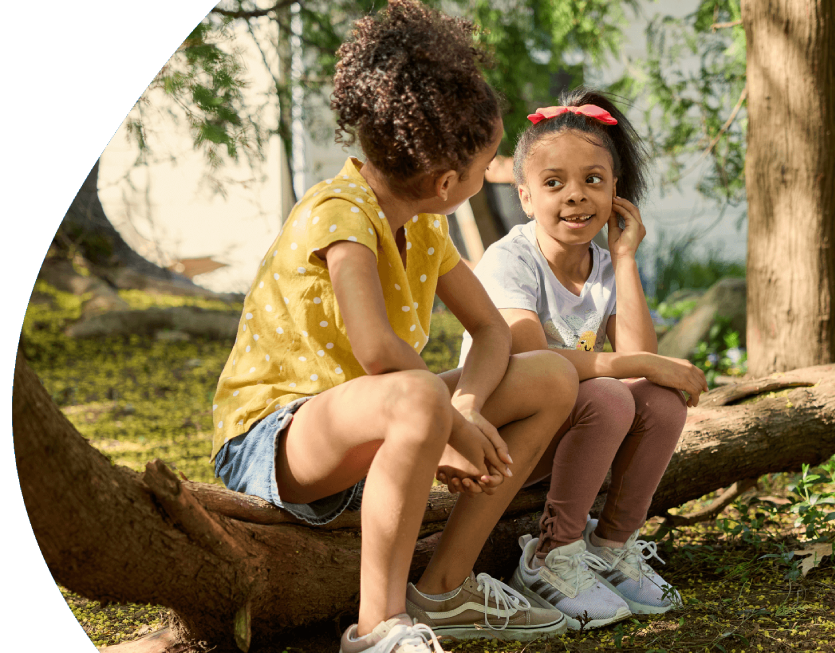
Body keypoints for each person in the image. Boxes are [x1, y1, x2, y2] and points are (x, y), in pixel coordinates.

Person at [210, 2, 578, 651]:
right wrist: (448, 424)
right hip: (277, 440)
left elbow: (491, 332)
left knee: (548, 374)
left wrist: (463, 407)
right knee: (414, 393)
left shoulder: (426, 225)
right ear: (443, 180)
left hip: (379, 423)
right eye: (485, 164)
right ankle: (377, 628)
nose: (490, 172)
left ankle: (444, 586)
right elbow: (376, 349)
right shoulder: (339, 212)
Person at [459, 88, 709, 630]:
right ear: (525, 196)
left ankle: (611, 546)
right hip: (504, 437)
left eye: (593, 180)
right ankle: (552, 555)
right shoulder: (511, 259)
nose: (576, 196)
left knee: (661, 401)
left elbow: (643, 362)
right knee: (608, 391)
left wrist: (624, 259)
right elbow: (531, 360)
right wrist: (633, 368)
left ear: (616, 190)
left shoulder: (603, 264)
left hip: (574, 432)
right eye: (554, 184)